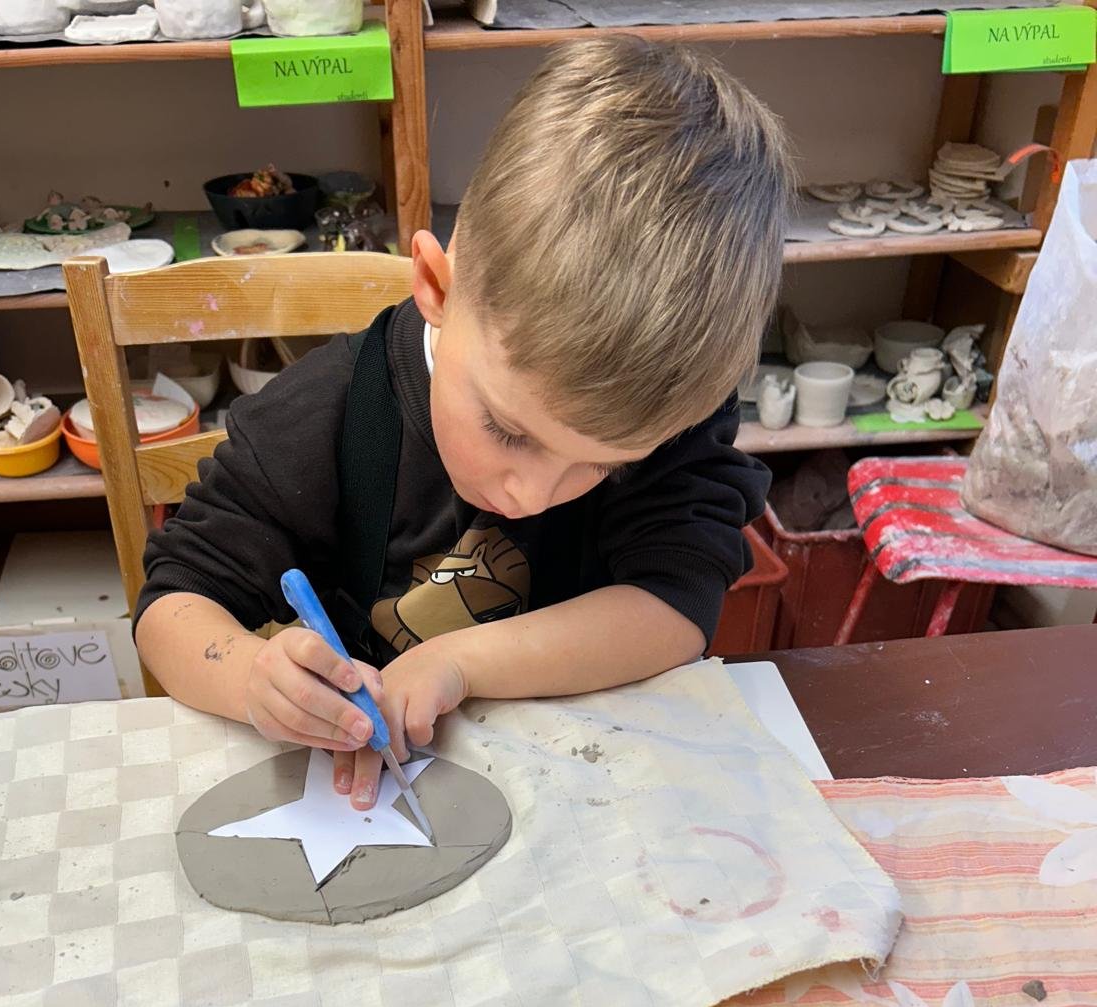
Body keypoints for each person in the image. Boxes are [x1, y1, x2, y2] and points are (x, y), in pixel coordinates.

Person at [134, 37, 793, 811]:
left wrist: (460, 662)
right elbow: (171, 605)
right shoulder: (321, 416)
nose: (534, 494)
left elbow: (677, 606)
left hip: (576, 790)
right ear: (435, 285)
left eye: (604, 465)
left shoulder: (661, 401)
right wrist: (253, 678)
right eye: (510, 432)